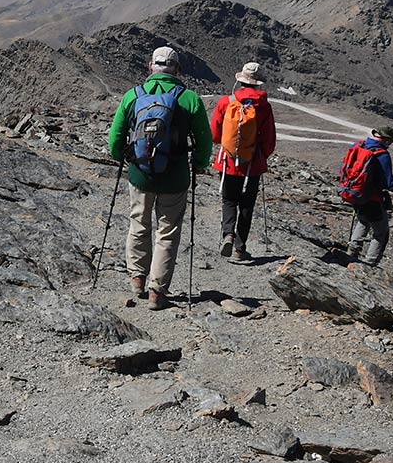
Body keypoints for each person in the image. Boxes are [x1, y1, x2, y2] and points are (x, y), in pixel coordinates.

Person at [108, 46, 212, 310]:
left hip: (140, 175)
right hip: (175, 177)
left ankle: (137, 279)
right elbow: (204, 140)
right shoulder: (189, 99)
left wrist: (128, 158)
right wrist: (198, 165)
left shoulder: (133, 96)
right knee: (167, 232)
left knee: (138, 224)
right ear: (176, 69)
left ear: (150, 66)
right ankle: (157, 292)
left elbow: (115, 141)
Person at [210, 62, 276, 261]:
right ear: (258, 84)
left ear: (240, 80)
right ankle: (240, 248)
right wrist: (261, 156)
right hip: (252, 165)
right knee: (247, 205)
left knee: (229, 200)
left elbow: (214, 134)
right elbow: (269, 140)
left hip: (228, 162)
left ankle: (228, 234)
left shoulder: (226, 102)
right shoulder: (264, 107)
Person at [346, 126, 393, 266]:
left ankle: (351, 255)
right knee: (381, 233)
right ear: (386, 140)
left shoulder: (359, 145)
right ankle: (369, 264)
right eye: (390, 142)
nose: (390, 145)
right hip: (373, 198)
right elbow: (390, 184)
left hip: (355, 193)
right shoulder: (382, 154)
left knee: (363, 221)